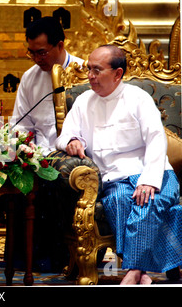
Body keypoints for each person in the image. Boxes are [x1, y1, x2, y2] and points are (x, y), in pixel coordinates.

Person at [55, 44, 182, 284]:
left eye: (97, 70)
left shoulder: (138, 98)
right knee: (117, 202)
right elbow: (62, 136)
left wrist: (148, 181)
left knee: (146, 204)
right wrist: (71, 140)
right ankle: (142, 273)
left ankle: (133, 272)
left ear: (117, 74)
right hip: (114, 178)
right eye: (89, 69)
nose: (90, 76)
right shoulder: (83, 101)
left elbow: (156, 140)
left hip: (154, 173)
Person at [11, 16, 84, 155]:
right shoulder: (29, 77)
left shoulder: (84, 73)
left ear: (60, 45)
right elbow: (21, 125)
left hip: (76, 156)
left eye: (42, 53)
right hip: (39, 157)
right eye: (32, 53)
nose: (37, 59)